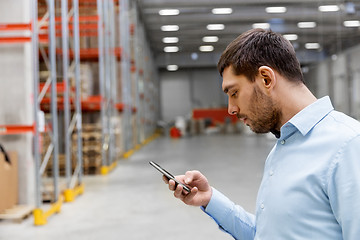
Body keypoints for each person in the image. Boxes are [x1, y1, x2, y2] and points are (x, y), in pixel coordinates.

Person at [163, 28, 360, 239]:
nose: (231, 109)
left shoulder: (347, 146)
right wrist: (209, 198)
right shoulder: (282, 147)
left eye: (234, 93)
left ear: (266, 79)